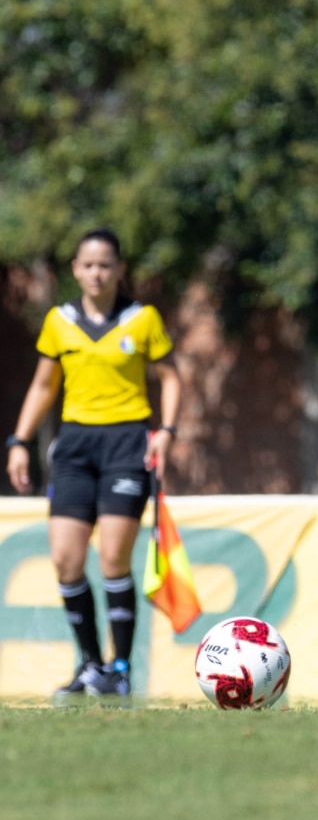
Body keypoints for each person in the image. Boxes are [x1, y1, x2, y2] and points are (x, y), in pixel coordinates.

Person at [6, 227, 182, 703]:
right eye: (88, 264)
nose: (97, 272)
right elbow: (44, 386)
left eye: (106, 264)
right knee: (65, 559)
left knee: (112, 558)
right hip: (75, 446)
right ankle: (90, 664)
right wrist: (19, 440)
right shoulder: (59, 321)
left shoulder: (142, 319)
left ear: (119, 270)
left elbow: (169, 377)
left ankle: (121, 669)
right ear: (75, 271)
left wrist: (165, 432)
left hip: (128, 443)